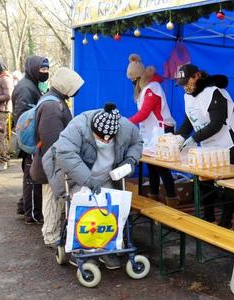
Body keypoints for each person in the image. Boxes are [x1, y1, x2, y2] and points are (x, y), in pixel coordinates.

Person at [43, 102, 143, 269]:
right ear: (93, 129)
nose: (105, 140)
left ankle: (106, 248)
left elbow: (137, 142)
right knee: (85, 211)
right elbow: (65, 154)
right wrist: (88, 180)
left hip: (106, 177)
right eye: (100, 136)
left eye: (109, 138)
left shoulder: (125, 127)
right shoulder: (78, 126)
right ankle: (82, 251)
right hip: (77, 177)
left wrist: (130, 159)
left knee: (110, 211)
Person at [175, 64, 234, 228]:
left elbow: (217, 123)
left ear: (197, 76)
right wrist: (178, 137)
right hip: (208, 145)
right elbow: (190, 119)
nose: (185, 87)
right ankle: (208, 217)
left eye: (186, 82)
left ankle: (226, 222)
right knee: (204, 181)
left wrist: (193, 139)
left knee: (228, 184)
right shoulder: (188, 96)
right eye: (182, 84)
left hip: (228, 143)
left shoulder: (214, 92)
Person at [30, 67, 84, 248]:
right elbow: (52, 141)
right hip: (51, 163)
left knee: (55, 198)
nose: (76, 92)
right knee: (52, 199)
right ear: (66, 86)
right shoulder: (53, 106)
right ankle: (51, 235)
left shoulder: (52, 101)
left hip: (50, 161)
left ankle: (52, 232)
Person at [126, 53, 179, 206]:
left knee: (162, 169)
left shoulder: (152, 89)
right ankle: (153, 197)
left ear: (138, 78)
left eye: (133, 81)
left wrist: (126, 122)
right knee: (152, 167)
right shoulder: (145, 89)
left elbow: (144, 113)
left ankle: (171, 200)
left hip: (162, 133)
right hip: (151, 133)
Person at [12, 55, 50, 223]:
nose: (45, 72)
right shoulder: (26, 88)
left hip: (32, 139)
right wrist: (34, 141)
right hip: (31, 139)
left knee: (30, 175)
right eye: (42, 69)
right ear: (34, 69)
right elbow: (23, 118)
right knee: (32, 176)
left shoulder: (32, 84)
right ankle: (32, 214)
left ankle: (24, 206)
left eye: (47, 69)